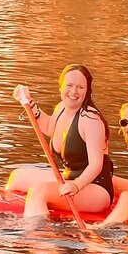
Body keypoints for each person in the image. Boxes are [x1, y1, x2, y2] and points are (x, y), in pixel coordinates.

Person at [7, 64, 114, 218]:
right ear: (61, 86)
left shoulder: (90, 119)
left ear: (87, 91)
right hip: (68, 178)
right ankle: (7, 211)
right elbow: (50, 127)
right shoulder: (62, 108)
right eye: (69, 85)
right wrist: (28, 102)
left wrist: (76, 185)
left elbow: (96, 164)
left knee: (39, 192)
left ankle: (37, 236)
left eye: (80, 87)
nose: (74, 92)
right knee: (17, 177)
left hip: (95, 188)